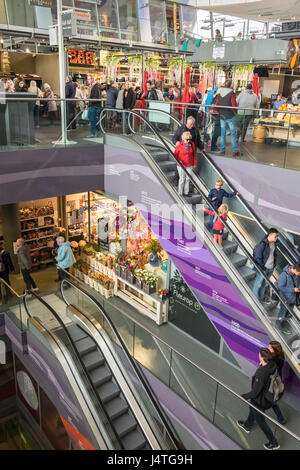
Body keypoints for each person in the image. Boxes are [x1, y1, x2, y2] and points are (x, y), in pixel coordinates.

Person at [237, 348, 280, 450]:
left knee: (260, 420)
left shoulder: (262, 373)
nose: (258, 356)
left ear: (262, 357)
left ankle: (274, 442)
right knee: (252, 409)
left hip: (260, 400)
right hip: (267, 397)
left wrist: (244, 396)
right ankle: (247, 425)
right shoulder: (272, 365)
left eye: (259, 355)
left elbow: (255, 392)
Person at [252, 228, 279, 302]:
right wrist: (262, 267)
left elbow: (274, 254)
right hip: (263, 268)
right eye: (275, 236)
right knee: (258, 284)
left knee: (264, 284)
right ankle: (255, 299)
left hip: (271, 268)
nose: (277, 238)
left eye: (277, 236)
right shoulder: (262, 244)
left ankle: (261, 297)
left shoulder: (274, 243)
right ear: (269, 235)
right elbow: (258, 257)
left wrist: (274, 265)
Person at [215, 80, 240, 157]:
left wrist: (219, 111)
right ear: (230, 85)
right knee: (233, 133)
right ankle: (235, 151)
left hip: (222, 115)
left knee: (223, 133)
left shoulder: (219, 93)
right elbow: (234, 104)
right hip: (230, 115)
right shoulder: (231, 93)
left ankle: (222, 150)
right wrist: (236, 112)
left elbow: (217, 104)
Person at [276, 263, 300, 335]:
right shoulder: (284, 275)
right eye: (299, 272)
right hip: (285, 298)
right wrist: (293, 290)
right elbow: (280, 287)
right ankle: (278, 327)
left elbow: (296, 283)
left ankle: (284, 325)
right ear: (294, 269)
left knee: (288, 314)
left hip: (293, 299)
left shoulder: (296, 274)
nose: (299, 274)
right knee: (282, 313)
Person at [268, 341, 287, 425]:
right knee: (272, 402)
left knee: (270, 402)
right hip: (277, 380)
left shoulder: (272, 360)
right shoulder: (281, 356)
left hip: (271, 382)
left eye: (270, 347)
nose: (268, 348)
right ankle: (281, 419)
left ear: (274, 350)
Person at [174, 131, 197, 196]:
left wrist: (194, 163)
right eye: (187, 139)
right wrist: (179, 160)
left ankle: (186, 192)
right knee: (182, 179)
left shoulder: (192, 144)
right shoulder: (179, 145)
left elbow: (194, 154)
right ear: (183, 139)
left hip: (190, 164)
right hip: (181, 165)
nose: (188, 140)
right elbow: (175, 155)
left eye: (189, 139)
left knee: (188, 178)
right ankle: (180, 193)